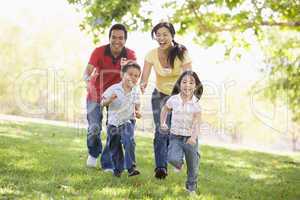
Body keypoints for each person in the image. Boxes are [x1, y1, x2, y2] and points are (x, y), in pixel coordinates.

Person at [140, 22, 192, 179]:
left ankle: (176, 158)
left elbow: (189, 76)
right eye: (158, 34)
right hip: (160, 96)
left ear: (172, 35)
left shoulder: (182, 52)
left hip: (178, 97)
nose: (161, 38)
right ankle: (160, 168)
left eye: (165, 34)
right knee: (161, 130)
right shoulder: (151, 54)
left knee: (174, 131)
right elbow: (145, 76)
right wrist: (142, 85)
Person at [83, 24, 136, 171]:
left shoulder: (130, 55)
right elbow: (86, 73)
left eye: (121, 38)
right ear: (109, 38)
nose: (117, 41)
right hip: (95, 94)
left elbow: (131, 78)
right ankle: (94, 153)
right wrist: (88, 82)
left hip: (117, 97)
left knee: (114, 130)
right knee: (94, 128)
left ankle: (108, 163)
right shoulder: (99, 51)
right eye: (114, 37)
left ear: (125, 40)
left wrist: (124, 69)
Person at [160, 70, 203, 194]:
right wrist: (163, 123)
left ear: (195, 86)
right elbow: (165, 109)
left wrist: (194, 137)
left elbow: (197, 123)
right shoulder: (174, 99)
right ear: (179, 84)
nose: (187, 85)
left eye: (191, 82)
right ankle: (179, 163)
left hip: (190, 139)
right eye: (184, 82)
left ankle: (191, 189)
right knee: (172, 158)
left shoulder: (196, 104)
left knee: (193, 166)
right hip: (175, 136)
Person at [101, 62, 142, 177]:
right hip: (113, 123)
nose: (133, 78)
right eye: (130, 74)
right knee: (115, 147)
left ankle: (131, 167)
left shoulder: (135, 91)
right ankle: (118, 169)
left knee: (129, 141)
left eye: (136, 76)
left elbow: (137, 105)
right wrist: (109, 100)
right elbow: (102, 103)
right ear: (122, 74)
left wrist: (138, 112)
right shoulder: (114, 89)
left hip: (127, 121)